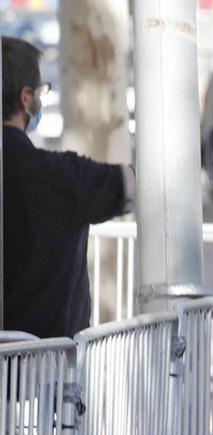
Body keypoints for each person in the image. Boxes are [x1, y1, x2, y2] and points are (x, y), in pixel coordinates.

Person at [2, 37, 134, 338]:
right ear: (26, 99)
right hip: (45, 366)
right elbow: (132, 187)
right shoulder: (62, 176)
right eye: (40, 91)